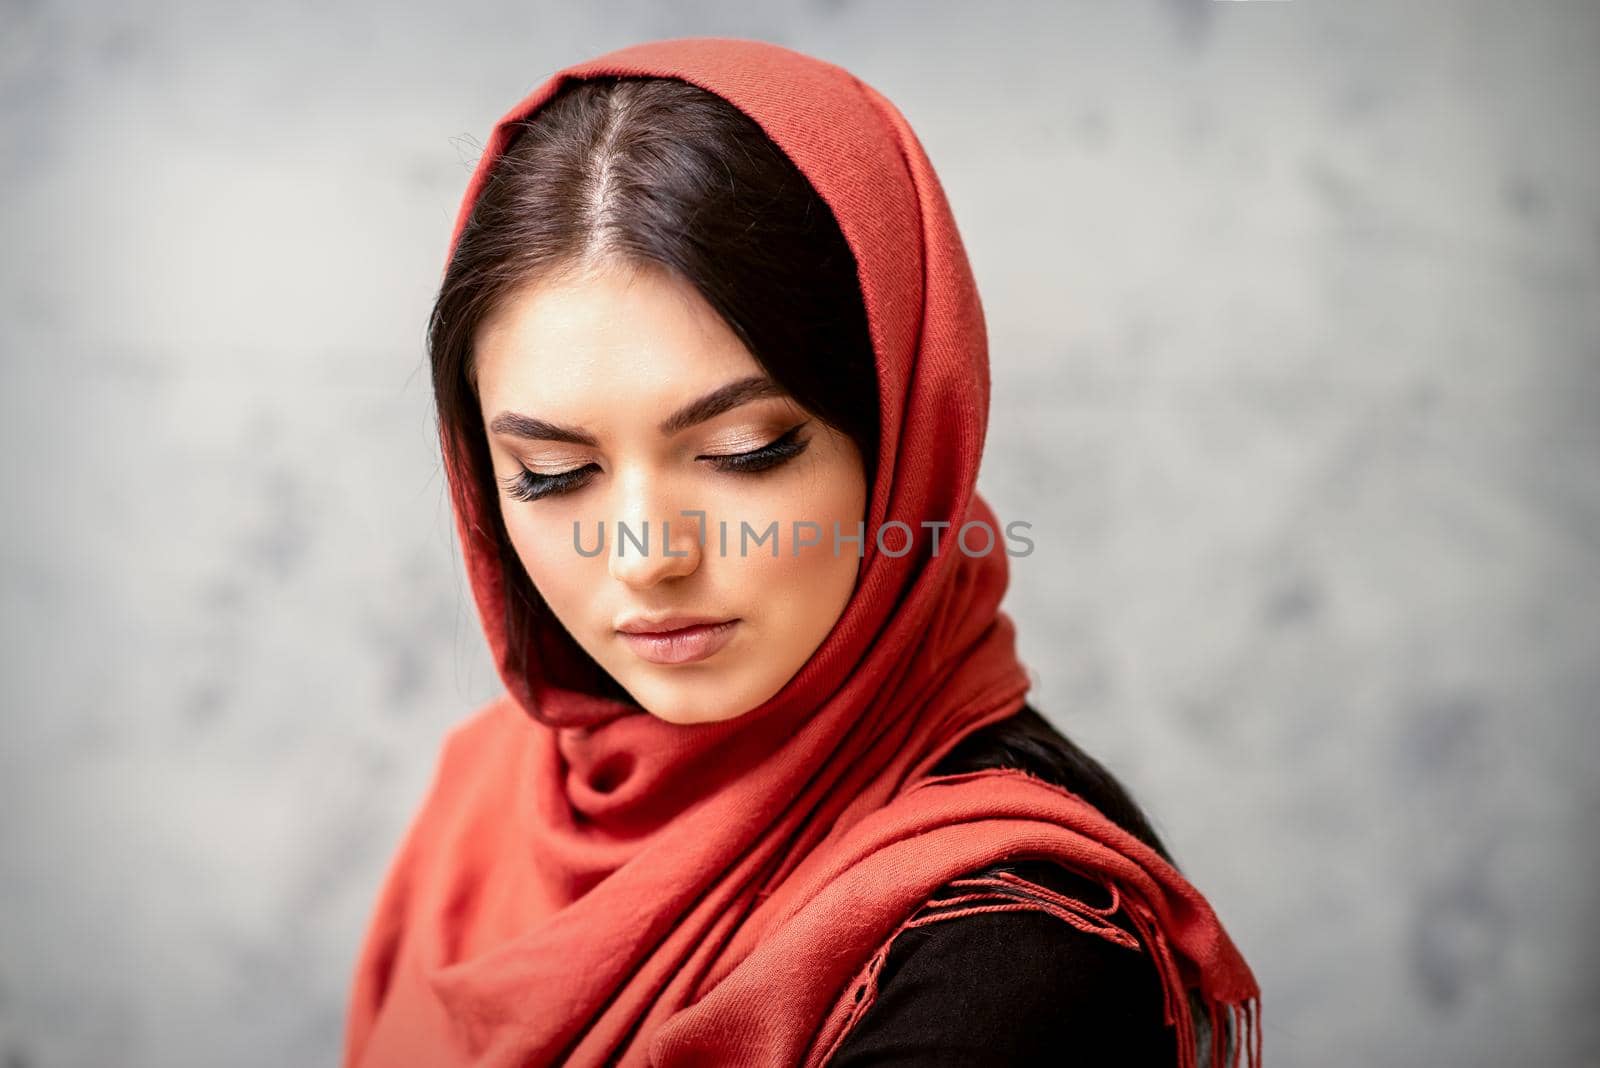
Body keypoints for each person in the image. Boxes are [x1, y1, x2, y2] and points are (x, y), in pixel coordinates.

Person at [342, 37, 1260, 1068]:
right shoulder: (495, 792)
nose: (645, 554)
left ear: (906, 435)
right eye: (552, 474)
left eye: (745, 452)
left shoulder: (1012, 954)